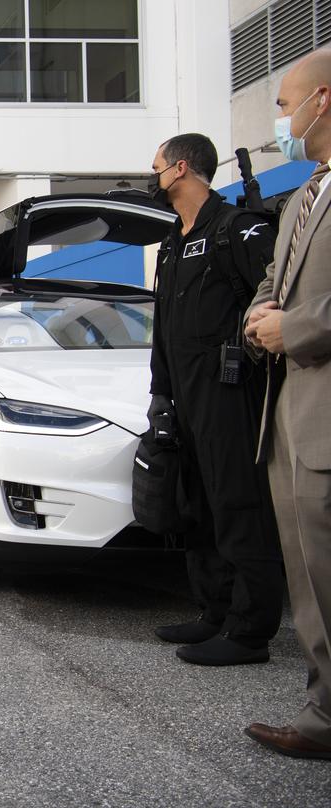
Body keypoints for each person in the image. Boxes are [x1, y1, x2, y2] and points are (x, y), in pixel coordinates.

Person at [146, 133, 283, 667]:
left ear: (181, 169)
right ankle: (214, 610)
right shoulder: (173, 242)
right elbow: (164, 329)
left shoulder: (238, 229)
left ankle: (250, 632)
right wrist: (160, 393)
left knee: (239, 505)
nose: (151, 177)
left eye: (155, 168)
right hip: (183, 396)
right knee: (197, 505)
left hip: (230, 395)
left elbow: (272, 300)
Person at [243, 48, 331, 760]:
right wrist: (260, 314)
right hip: (292, 416)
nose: (280, 119)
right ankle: (323, 709)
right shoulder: (304, 196)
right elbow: (273, 280)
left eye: (282, 103)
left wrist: (292, 328)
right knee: (309, 573)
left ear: (321, 101)